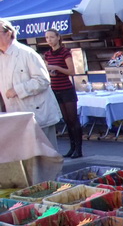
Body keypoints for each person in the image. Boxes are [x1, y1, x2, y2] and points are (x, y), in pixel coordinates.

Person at [0, 19, 62, 151]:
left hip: (37, 114)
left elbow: (42, 80)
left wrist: (17, 89)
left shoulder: (26, 53)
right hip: (15, 116)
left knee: (46, 156)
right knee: (27, 158)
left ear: (8, 33)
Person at [44, 29, 83, 158]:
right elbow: (48, 71)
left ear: (58, 38)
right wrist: (50, 72)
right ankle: (72, 147)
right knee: (66, 120)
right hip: (55, 89)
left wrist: (56, 68)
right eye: (47, 38)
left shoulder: (65, 52)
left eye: (51, 37)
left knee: (73, 119)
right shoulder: (48, 54)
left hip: (66, 89)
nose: (49, 40)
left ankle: (79, 148)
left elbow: (71, 71)